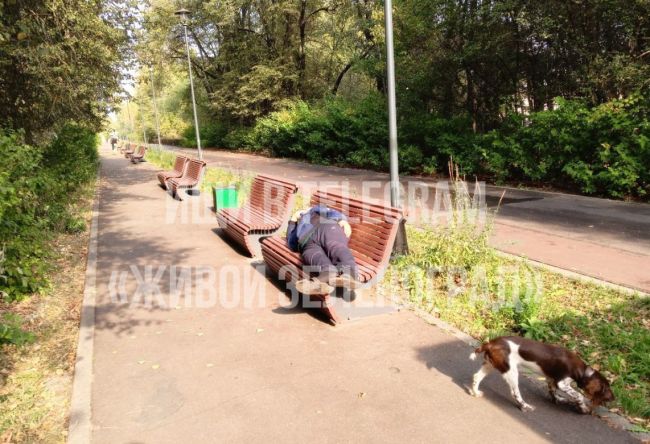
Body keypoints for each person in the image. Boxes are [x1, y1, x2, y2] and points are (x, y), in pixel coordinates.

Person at [287, 205, 361, 295]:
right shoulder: (299, 228)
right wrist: (293, 220)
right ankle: (325, 275)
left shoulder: (313, 210)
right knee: (311, 255)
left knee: (335, 247)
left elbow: (330, 211)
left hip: (325, 226)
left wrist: (342, 220)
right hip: (307, 243)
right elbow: (291, 243)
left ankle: (350, 273)